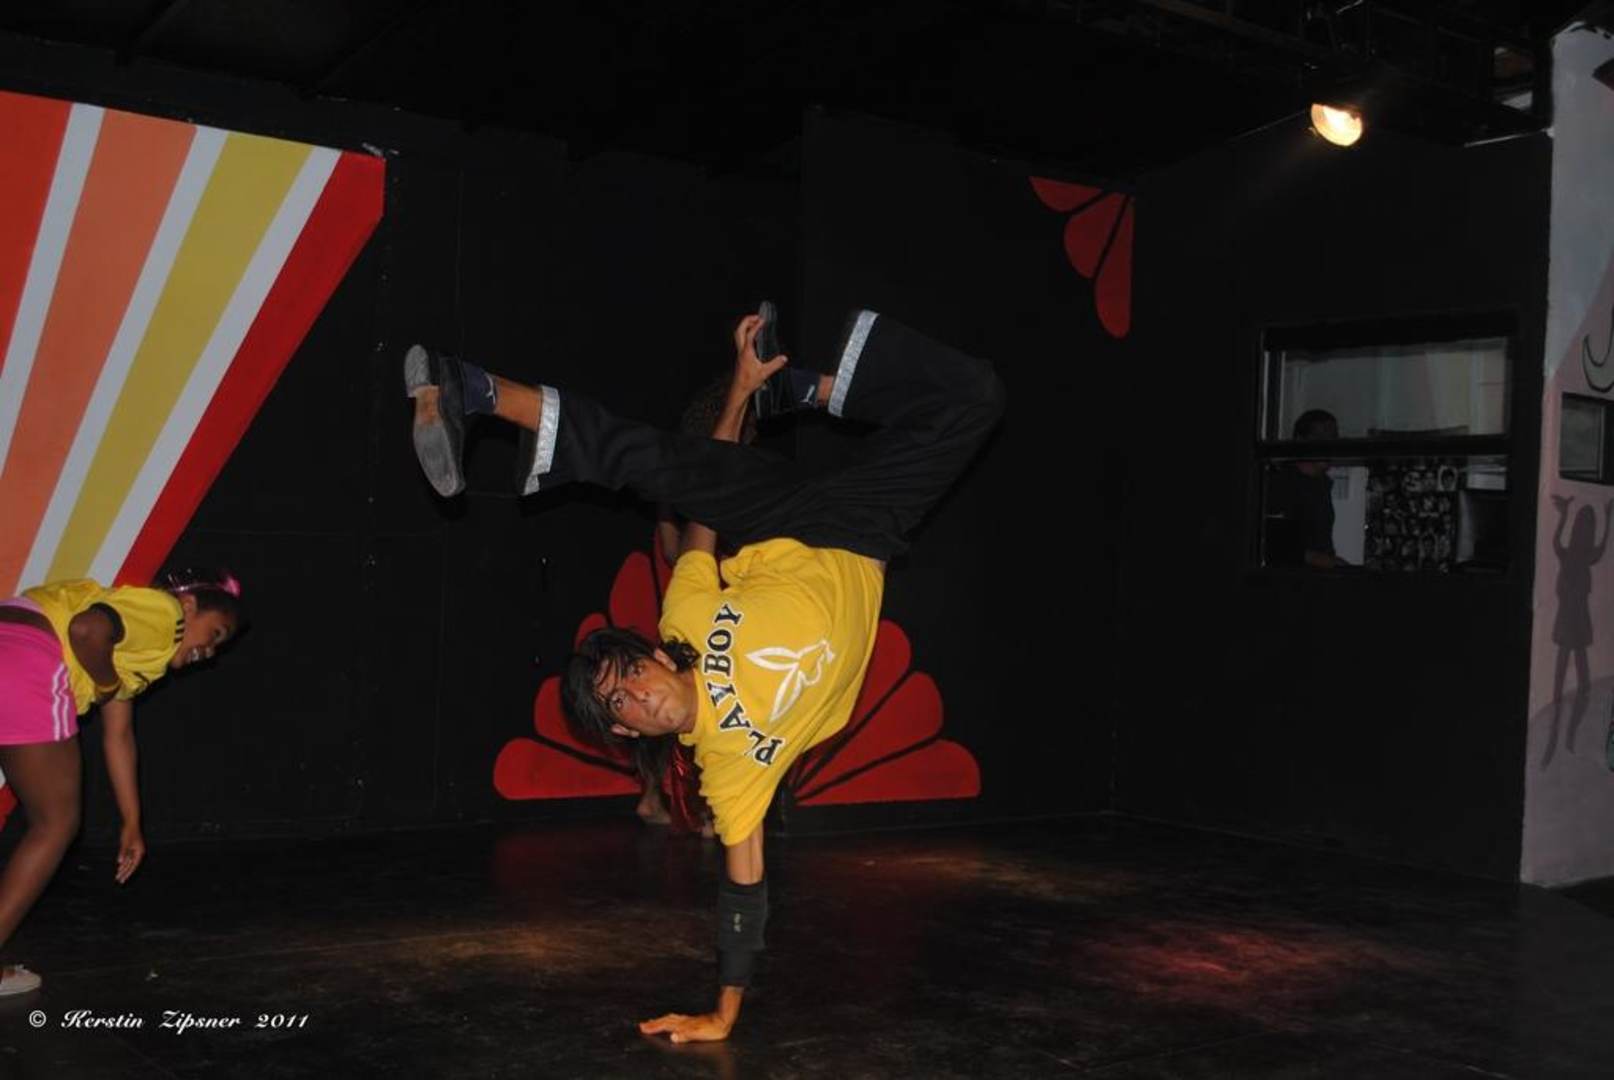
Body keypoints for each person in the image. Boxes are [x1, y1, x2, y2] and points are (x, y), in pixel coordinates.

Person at [404, 303, 1004, 1043]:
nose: (638, 693)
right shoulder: (731, 771)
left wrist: (742, 391)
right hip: (862, 532)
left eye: (632, 674)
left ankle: (473, 387)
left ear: (656, 658)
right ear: (628, 730)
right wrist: (724, 1011)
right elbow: (743, 889)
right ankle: (799, 390)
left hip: (783, 519)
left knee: (667, 467)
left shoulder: (684, 618)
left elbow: (704, 489)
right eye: (621, 703)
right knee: (980, 399)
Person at [0, 568, 244, 995]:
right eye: (216, 633)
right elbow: (86, 629)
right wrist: (107, 682)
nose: (210, 652)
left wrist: (131, 822)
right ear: (189, 606)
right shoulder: (165, 615)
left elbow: (119, 737)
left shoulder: (136, 649)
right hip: (31, 659)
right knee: (55, 824)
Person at [1266, 408, 1349, 569]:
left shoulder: (1321, 484)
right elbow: (1270, 543)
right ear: (1300, 441)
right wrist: (1325, 561)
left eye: (1333, 439)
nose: (1329, 446)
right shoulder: (1281, 483)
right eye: (1321, 439)